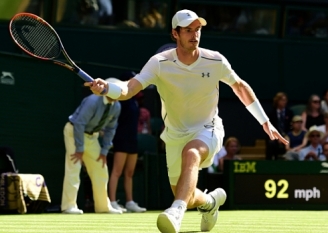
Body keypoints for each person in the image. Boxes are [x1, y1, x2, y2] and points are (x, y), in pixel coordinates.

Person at [86, 9, 288, 233]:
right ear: (175, 34)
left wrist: (264, 121)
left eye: (198, 29)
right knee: (187, 193)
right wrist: (107, 88)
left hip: (208, 129)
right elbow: (129, 89)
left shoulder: (215, 60)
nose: (195, 35)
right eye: (188, 30)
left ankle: (175, 212)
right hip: (174, 135)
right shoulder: (159, 63)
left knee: (191, 155)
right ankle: (210, 203)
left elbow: (239, 86)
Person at [61, 92, 122, 214]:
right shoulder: (93, 101)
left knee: (101, 168)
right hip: (74, 132)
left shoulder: (116, 106)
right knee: (74, 167)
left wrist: (104, 150)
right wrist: (79, 148)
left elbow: (111, 129)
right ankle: (68, 206)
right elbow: (79, 123)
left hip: (92, 136)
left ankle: (103, 207)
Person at [108, 77, 146, 213]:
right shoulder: (120, 99)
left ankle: (130, 202)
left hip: (132, 139)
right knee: (117, 171)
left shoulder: (135, 101)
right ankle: (112, 202)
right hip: (121, 138)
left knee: (129, 173)